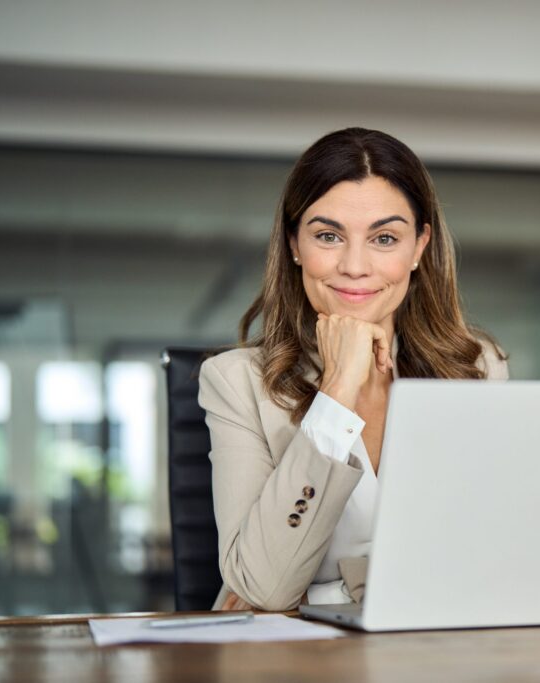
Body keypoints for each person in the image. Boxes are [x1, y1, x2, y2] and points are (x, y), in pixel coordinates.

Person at [198, 127, 508, 611]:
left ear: (420, 247)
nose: (355, 265)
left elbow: (497, 549)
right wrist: (336, 392)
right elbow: (265, 587)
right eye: (328, 236)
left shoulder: (476, 367)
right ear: (294, 245)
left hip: (438, 639)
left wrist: (355, 580)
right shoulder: (235, 382)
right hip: (294, 655)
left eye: (385, 237)